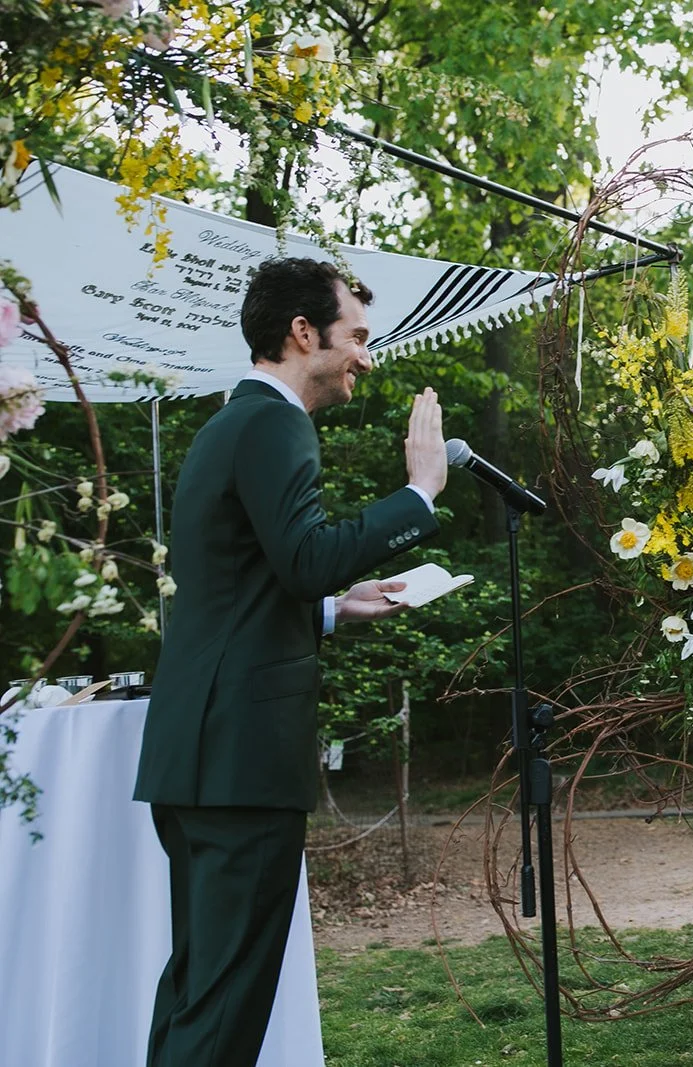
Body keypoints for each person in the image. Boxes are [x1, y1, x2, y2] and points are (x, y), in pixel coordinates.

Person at [132, 256, 449, 1066]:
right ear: (303, 332)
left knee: (200, 991)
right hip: (240, 762)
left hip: (198, 757)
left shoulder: (227, 424)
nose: (366, 358)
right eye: (357, 337)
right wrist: (418, 493)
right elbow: (306, 555)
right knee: (224, 1008)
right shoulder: (276, 423)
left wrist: (335, 608)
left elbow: (240, 584)